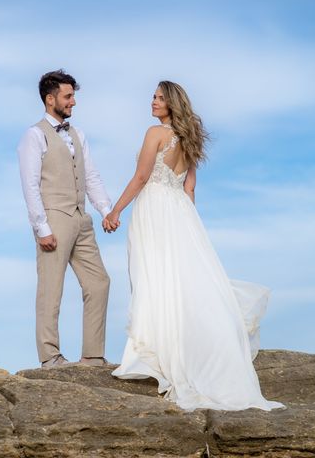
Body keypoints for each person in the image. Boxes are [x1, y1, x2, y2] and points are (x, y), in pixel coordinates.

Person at [105, 81, 283, 411]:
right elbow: (190, 187)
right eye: (154, 97)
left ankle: (157, 353)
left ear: (172, 104)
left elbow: (142, 176)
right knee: (185, 280)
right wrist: (190, 227)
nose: (153, 101)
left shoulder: (155, 133)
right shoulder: (190, 140)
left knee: (154, 275)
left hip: (155, 209)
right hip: (180, 212)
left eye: (159, 98)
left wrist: (116, 210)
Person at [18, 69, 114, 368]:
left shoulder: (78, 134)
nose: (73, 102)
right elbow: (30, 185)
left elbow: (91, 175)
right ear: (50, 99)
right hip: (54, 219)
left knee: (99, 283)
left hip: (80, 217)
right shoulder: (34, 136)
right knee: (51, 289)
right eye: (68, 96)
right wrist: (41, 227)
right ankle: (50, 357)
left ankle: (93, 356)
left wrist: (105, 209)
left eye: (73, 96)